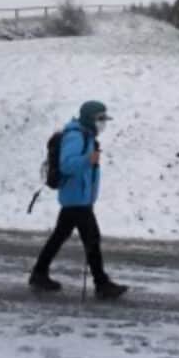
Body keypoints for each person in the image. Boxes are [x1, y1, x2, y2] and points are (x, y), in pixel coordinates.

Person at [29, 100, 128, 300]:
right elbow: (66, 165)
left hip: (78, 198)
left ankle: (39, 274)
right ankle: (102, 284)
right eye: (100, 119)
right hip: (76, 199)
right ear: (89, 118)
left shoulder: (87, 135)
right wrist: (87, 160)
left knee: (60, 236)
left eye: (104, 119)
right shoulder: (76, 136)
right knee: (91, 240)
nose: (103, 123)